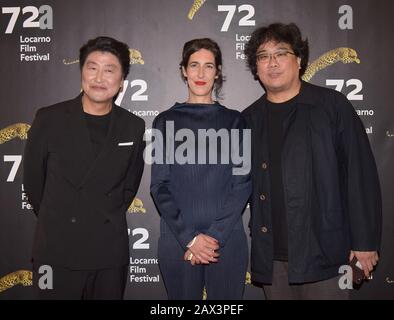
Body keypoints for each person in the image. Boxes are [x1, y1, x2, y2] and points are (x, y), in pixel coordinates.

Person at [242, 23, 382, 299]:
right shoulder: (248, 119)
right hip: (273, 261)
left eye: (280, 53)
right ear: (255, 66)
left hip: (326, 256)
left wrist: (364, 242)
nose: (272, 63)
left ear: (299, 59)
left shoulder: (331, 106)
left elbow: (359, 174)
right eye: (263, 56)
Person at [23, 36, 145, 299]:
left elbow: (129, 184)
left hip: (108, 252)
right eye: (92, 68)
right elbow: (34, 184)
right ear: (81, 73)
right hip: (56, 251)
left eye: (109, 69)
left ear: (122, 81)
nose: (99, 77)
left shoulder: (133, 126)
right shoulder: (49, 118)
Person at [150, 38, 251, 299]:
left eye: (209, 66)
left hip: (227, 240)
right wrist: (191, 239)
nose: (201, 73)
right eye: (194, 65)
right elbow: (159, 186)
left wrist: (213, 238)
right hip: (177, 240)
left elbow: (243, 184)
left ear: (217, 72)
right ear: (183, 70)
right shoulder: (164, 121)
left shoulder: (235, 121)